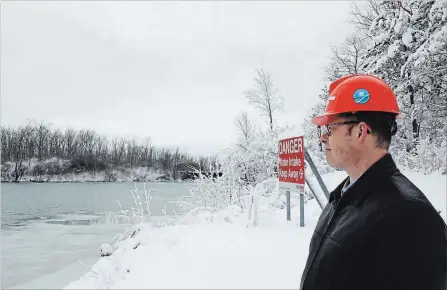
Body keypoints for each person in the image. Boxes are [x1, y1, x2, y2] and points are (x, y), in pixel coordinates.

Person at [299, 74, 447, 290]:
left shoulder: (408, 215)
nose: (323, 137)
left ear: (361, 131)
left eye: (330, 128)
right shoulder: (343, 197)